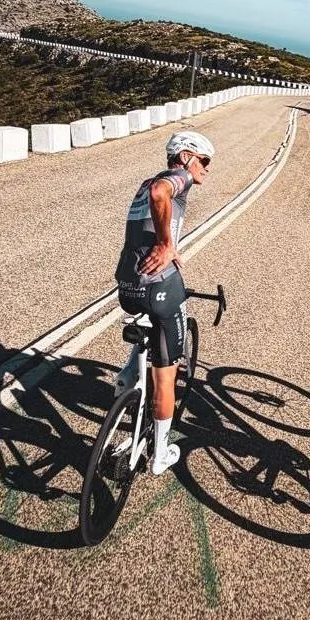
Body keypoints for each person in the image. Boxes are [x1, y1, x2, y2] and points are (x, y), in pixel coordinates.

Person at [114, 130, 214, 475]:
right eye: (204, 160)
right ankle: (159, 455)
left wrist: (163, 240)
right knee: (165, 375)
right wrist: (167, 245)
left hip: (127, 284)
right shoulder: (177, 177)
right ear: (186, 156)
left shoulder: (145, 182)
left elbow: (153, 198)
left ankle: (126, 383)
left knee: (145, 336)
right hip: (158, 286)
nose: (206, 168)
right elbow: (163, 193)